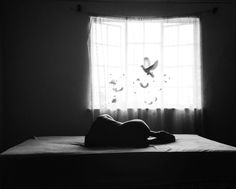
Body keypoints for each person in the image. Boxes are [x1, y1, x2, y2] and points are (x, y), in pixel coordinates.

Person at [85, 114, 175, 148]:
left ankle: (155, 135)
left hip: (132, 130)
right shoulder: (102, 120)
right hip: (137, 126)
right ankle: (156, 134)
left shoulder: (96, 132)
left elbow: (88, 141)